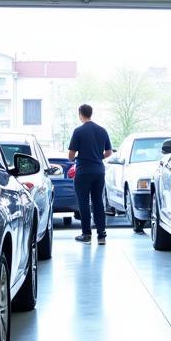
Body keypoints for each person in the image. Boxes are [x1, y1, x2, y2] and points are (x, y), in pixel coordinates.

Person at [68, 104, 112, 245]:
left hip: (83, 172)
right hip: (99, 170)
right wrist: (98, 157)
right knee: (98, 202)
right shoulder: (102, 130)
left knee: (84, 202)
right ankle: (101, 236)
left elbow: (70, 155)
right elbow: (109, 152)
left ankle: (86, 234)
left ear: (80, 114)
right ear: (91, 113)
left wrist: (78, 157)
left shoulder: (78, 131)